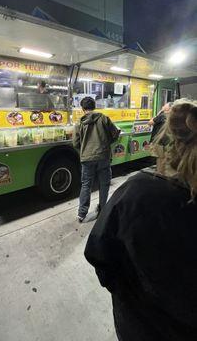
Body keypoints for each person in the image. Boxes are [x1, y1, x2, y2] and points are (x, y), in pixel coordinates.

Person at [84, 98, 197, 341]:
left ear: (166, 138)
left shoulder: (136, 190)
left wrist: (126, 294)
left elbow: (98, 252)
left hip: (136, 324)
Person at [73, 96, 120, 222]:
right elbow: (115, 133)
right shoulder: (104, 118)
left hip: (87, 158)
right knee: (104, 184)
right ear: (94, 106)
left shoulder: (79, 122)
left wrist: (85, 149)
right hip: (103, 156)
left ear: (83, 109)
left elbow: (75, 143)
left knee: (86, 185)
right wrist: (107, 143)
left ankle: (81, 214)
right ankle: (102, 210)